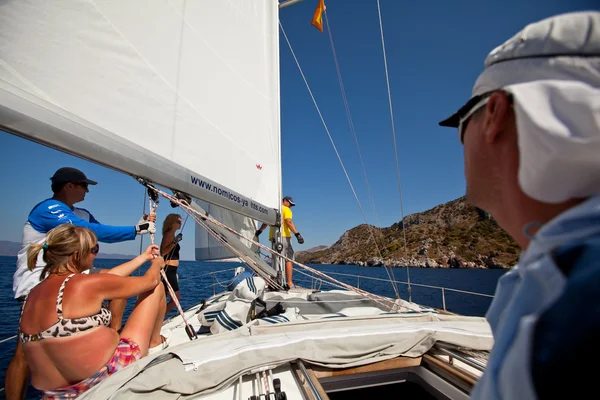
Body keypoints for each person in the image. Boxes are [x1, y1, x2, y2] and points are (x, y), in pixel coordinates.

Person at [438, 11, 600, 399]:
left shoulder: (568, 312)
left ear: (495, 114)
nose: (460, 142)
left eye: (463, 121)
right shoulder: (552, 274)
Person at [6, 167, 157, 400]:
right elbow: (90, 231)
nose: (87, 190)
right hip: (39, 282)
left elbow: (100, 233)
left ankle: (113, 335)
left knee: (116, 281)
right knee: (23, 354)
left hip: (74, 278)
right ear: (69, 186)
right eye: (84, 185)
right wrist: (138, 232)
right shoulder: (48, 209)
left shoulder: (81, 213)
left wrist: (137, 229)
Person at [18, 224, 167, 398]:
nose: (96, 253)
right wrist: (156, 263)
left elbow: (109, 277)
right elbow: (150, 281)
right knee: (156, 289)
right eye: (94, 249)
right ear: (76, 255)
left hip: (57, 393)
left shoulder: (33, 294)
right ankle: (154, 342)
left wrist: (143, 258)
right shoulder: (84, 284)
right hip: (101, 379)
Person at [256, 196, 304, 288]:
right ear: (284, 201)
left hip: (273, 237)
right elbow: (288, 221)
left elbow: (266, 222)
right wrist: (297, 234)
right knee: (288, 259)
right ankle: (289, 283)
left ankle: (273, 281)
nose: (290, 206)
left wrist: (259, 231)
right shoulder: (285, 209)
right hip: (284, 236)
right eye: (289, 204)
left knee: (275, 259)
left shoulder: (273, 211)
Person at [160, 214, 183, 315]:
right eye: (178, 221)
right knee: (175, 299)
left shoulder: (171, 235)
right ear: (172, 223)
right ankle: (158, 320)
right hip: (168, 270)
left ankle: (157, 320)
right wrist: (175, 241)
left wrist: (175, 240)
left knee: (162, 299)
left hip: (172, 271)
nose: (180, 223)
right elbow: (163, 252)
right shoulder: (168, 234)